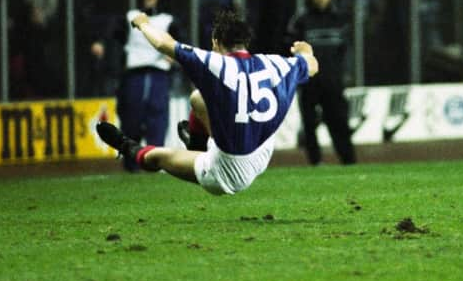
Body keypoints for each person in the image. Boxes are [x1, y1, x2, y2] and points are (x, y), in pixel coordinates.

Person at [96, 10, 319, 195]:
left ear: (215, 41)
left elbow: (165, 44)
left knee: (158, 157)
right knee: (199, 99)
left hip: (229, 171)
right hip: (262, 151)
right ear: (245, 42)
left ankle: (129, 147)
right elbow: (311, 66)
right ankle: (199, 144)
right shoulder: (276, 63)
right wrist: (305, 52)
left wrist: (144, 24)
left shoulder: (215, 64)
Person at [94, 0, 180, 172]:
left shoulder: (167, 20)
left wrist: (174, 55)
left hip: (159, 72)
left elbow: (179, 41)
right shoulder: (130, 17)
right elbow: (112, 34)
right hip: (134, 73)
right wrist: (101, 43)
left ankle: (155, 161)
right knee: (132, 116)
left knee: (157, 117)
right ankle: (131, 163)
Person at [287, 0, 356, 165]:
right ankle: (315, 162)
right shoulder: (301, 20)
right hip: (308, 82)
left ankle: (349, 161)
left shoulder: (339, 19)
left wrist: (346, 73)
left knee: (339, 122)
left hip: (333, 82)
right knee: (309, 124)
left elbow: (347, 49)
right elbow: (291, 49)